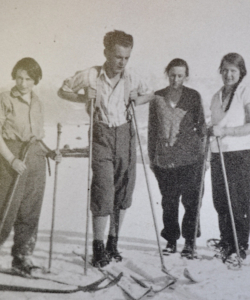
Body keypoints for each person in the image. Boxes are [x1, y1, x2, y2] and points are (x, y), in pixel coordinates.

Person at [58, 30, 154, 267]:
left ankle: (113, 242)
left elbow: (150, 93)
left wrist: (137, 99)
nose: (122, 62)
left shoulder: (131, 76)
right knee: (103, 189)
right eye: (118, 57)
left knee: (123, 190)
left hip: (125, 134)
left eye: (126, 58)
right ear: (106, 53)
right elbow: (63, 90)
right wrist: (82, 98)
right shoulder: (90, 75)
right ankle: (98, 246)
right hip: (101, 134)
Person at [0, 57, 61, 275]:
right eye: (19, 78)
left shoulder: (38, 102)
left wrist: (51, 153)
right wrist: (11, 159)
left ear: (35, 80)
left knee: (30, 210)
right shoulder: (5, 99)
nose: (23, 83)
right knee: (5, 209)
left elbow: (36, 137)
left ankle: (21, 258)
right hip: (12, 157)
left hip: (35, 158)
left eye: (28, 79)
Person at [148, 58, 206, 257]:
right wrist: (151, 157)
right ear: (167, 74)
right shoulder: (157, 97)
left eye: (180, 75)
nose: (175, 79)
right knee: (169, 201)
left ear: (185, 76)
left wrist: (203, 156)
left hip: (191, 158)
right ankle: (171, 240)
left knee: (191, 201)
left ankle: (190, 241)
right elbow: (152, 130)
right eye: (172, 75)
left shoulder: (193, 96)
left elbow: (202, 128)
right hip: (165, 158)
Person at [209, 53, 250, 261]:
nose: (229, 74)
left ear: (241, 72)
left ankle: (239, 247)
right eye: (225, 70)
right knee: (220, 201)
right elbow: (217, 125)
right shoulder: (216, 96)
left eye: (233, 70)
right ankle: (226, 242)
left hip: (241, 153)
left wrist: (226, 132)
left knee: (237, 202)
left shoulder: (247, 92)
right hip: (219, 152)